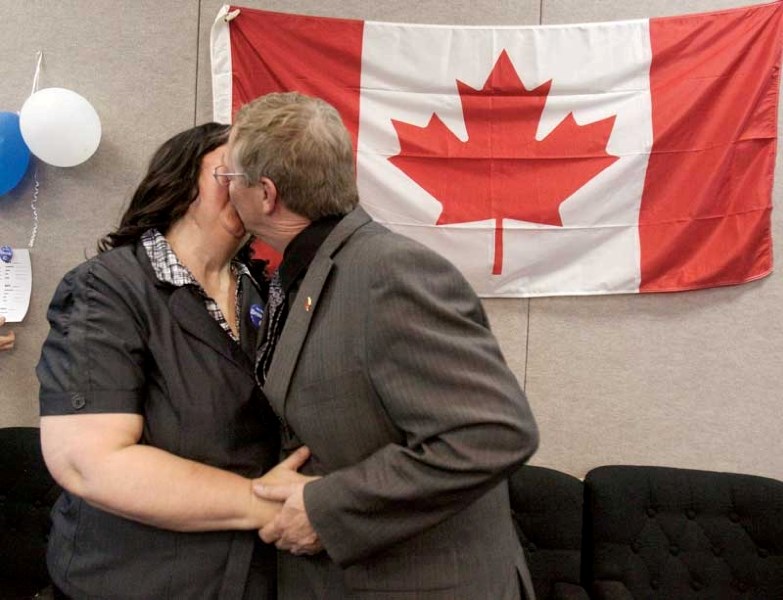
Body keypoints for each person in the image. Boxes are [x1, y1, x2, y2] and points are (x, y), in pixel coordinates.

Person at [222, 92, 540, 599]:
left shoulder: (389, 273)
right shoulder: (304, 273)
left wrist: (328, 507)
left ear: (265, 194)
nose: (224, 192)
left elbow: (492, 433)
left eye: (227, 178)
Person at [36, 122, 313, 600]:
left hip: (255, 576)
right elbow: (90, 463)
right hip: (137, 580)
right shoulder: (106, 289)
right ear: (182, 181)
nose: (250, 185)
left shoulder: (268, 291)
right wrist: (267, 506)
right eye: (232, 171)